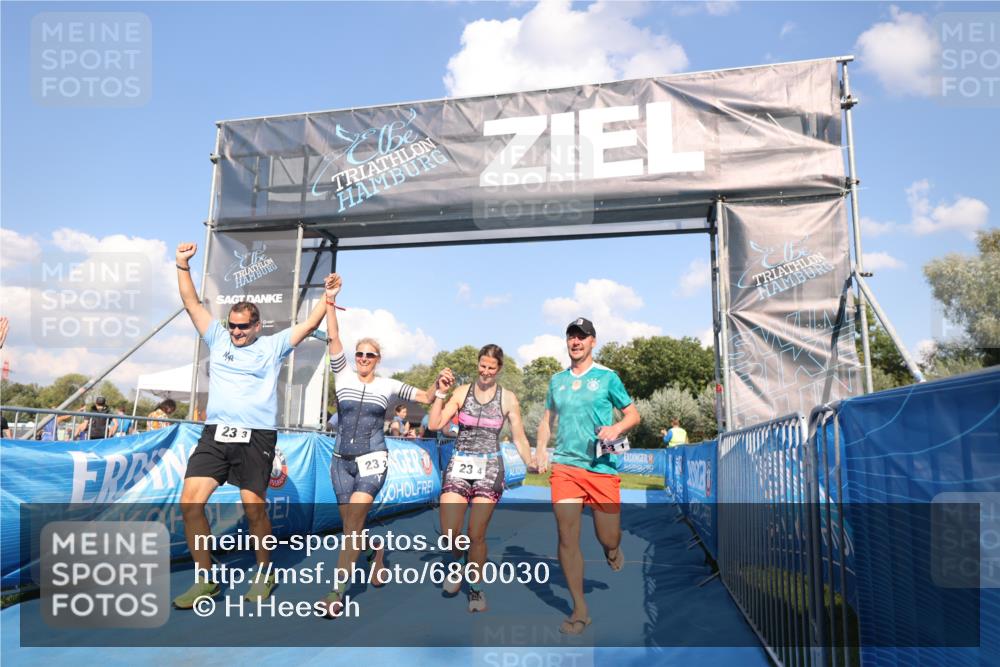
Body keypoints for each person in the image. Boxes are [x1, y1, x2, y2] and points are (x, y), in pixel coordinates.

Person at [171, 241, 332, 609]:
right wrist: (182, 264)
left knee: (253, 508)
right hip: (215, 434)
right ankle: (206, 579)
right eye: (232, 325)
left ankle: (264, 571)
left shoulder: (273, 346)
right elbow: (192, 303)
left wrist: (328, 296)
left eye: (243, 327)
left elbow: (310, 324)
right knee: (190, 504)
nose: (236, 332)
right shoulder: (218, 338)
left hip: (256, 438)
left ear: (257, 326)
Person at [319, 273, 438, 617]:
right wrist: (330, 300)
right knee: (350, 527)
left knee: (352, 525)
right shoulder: (342, 374)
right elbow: (333, 336)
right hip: (340, 461)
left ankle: (336, 593)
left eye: (369, 355)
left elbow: (426, 397)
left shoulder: (388, 385)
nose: (363, 358)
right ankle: (375, 550)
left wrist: (440, 385)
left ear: (378, 359)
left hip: (373, 458)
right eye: (359, 354)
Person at [535, 317, 640, 635]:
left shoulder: (608, 377)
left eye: (582, 336)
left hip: (601, 467)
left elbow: (633, 414)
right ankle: (579, 609)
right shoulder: (557, 381)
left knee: (608, 536)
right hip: (566, 467)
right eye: (571, 336)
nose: (576, 341)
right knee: (566, 535)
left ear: (593, 341)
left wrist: (616, 428)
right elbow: (547, 419)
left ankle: (612, 549)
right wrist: (541, 449)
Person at [429, 345, 532, 613]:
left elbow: (519, 437)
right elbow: (434, 424)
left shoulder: (507, 398)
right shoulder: (462, 392)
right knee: (449, 533)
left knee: (476, 534)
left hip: (490, 468)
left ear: (499, 369)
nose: (485, 372)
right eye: (482, 366)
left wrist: (529, 461)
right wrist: (440, 392)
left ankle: (475, 588)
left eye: (491, 368)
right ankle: (459, 563)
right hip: (460, 464)